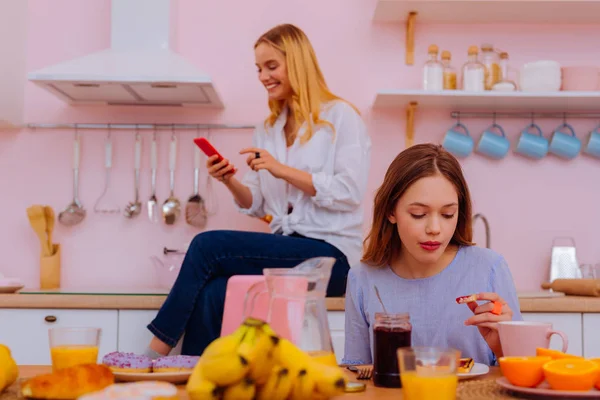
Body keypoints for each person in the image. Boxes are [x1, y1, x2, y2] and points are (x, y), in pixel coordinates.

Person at [145, 23, 371, 357]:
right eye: (259, 69)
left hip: (333, 258)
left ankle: (153, 353)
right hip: (288, 249)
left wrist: (281, 169)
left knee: (207, 245)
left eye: (271, 66)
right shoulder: (268, 129)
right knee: (213, 291)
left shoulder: (341, 117)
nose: (263, 76)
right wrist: (228, 180)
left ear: (297, 63)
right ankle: (197, 376)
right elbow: (256, 202)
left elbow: (349, 191)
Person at [342, 143, 522, 367]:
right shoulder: (363, 278)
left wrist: (504, 347)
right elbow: (357, 375)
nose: (435, 228)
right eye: (418, 214)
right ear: (390, 211)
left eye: (448, 214)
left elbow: (522, 375)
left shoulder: (489, 268)